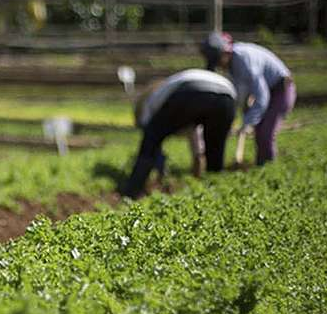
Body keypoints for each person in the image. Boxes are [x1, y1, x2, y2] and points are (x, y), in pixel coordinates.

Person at [119, 68, 237, 199]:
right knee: (215, 151)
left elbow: (149, 131)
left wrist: (153, 164)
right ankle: (215, 195)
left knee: (150, 141)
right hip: (227, 96)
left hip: (190, 90)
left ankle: (132, 191)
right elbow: (198, 147)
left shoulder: (151, 100)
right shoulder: (177, 103)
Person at [199, 32, 295, 166]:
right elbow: (240, 93)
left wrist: (247, 123)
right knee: (260, 131)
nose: (219, 66)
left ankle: (268, 169)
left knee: (265, 132)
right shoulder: (232, 64)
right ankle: (261, 165)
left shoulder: (244, 59)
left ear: (225, 53)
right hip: (267, 90)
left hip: (280, 90)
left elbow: (262, 96)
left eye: (218, 60)